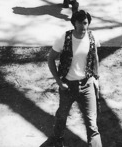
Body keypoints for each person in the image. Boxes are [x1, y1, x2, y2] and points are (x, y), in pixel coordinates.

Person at [47, 8, 102, 147]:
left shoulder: (92, 37)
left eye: (86, 23)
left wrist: (96, 77)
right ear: (74, 23)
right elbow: (51, 59)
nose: (84, 26)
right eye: (81, 23)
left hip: (87, 85)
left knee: (92, 124)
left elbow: (95, 55)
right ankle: (57, 139)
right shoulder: (64, 38)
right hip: (67, 86)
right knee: (62, 117)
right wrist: (59, 82)